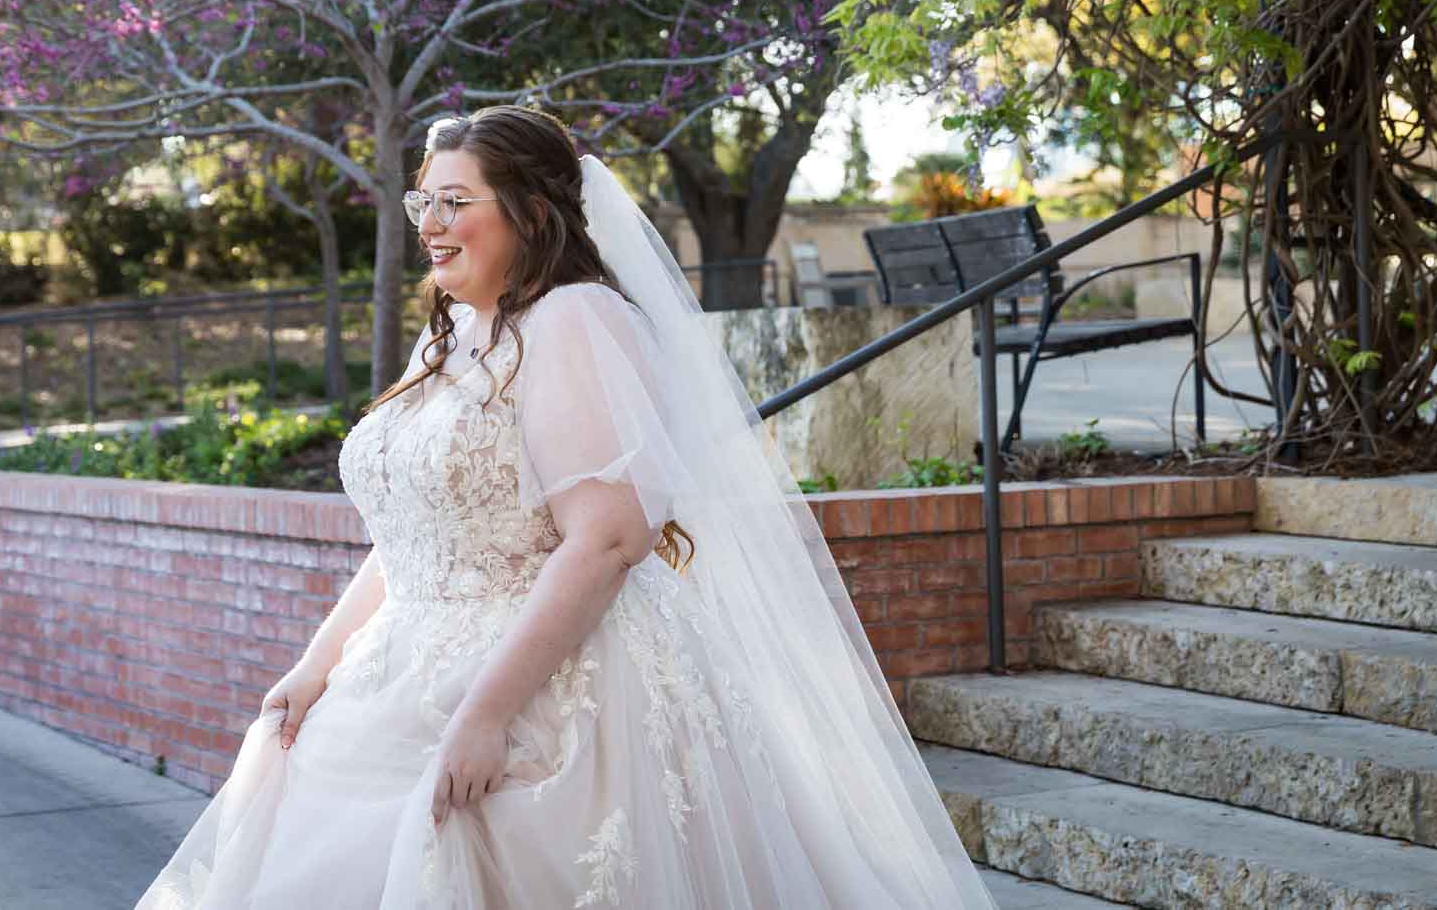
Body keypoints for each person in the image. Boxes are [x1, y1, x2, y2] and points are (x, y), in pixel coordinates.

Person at [133, 106, 998, 909]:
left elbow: (610, 535)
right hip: (398, 669)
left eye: (455, 201)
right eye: (420, 201)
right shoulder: (456, 335)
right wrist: (315, 665)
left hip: (552, 685)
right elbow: (418, 533)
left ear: (531, 214)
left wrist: (487, 713)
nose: (427, 223)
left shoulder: (576, 319)